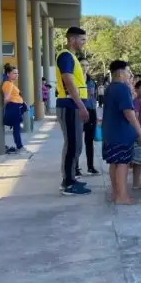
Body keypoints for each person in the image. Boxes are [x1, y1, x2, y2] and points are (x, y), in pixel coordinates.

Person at [102, 60, 141, 205]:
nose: (130, 75)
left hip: (109, 132)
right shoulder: (122, 88)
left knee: (114, 163)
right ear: (120, 72)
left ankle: (116, 194)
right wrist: (139, 129)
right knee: (122, 163)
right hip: (121, 133)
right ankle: (122, 196)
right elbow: (128, 111)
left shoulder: (109, 88)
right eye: (128, 72)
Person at [55, 26, 91, 195]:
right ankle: (68, 183)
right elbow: (68, 82)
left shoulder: (72, 58)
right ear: (72, 39)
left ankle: (71, 178)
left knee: (76, 145)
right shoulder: (65, 56)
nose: (84, 42)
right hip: (70, 106)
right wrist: (81, 106)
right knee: (72, 144)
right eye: (82, 39)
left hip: (74, 105)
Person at [76, 58, 100, 176]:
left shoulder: (92, 82)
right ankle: (75, 167)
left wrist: (96, 115)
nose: (84, 67)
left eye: (86, 65)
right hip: (78, 112)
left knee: (89, 141)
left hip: (91, 112)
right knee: (76, 141)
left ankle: (90, 167)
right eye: (81, 65)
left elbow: (94, 99)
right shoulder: (74, 80)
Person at [2, 64, 29, 155]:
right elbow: (7, 98)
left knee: (17, 128)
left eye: (17, 73)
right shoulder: (8, 84)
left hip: (16, 107)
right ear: (8, 74)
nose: (17, 75)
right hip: (14, 108)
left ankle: (19, 147)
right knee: (16, 129)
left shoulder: (10, 83)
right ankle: (20, 147)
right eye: (14, 73)